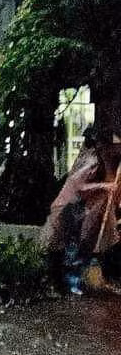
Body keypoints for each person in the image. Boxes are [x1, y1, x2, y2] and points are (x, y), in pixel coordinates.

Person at [42, 126, 121, 295]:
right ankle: (62, 284)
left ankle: (70, 283)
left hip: (79, 212)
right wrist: (105, 186)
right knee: (64, 249)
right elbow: (78, 186)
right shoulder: (91, 162)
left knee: (75, 248)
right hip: (68, 209)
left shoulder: (101, 164)